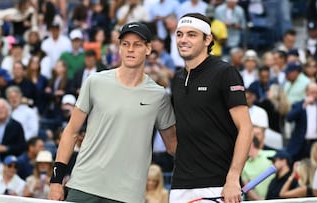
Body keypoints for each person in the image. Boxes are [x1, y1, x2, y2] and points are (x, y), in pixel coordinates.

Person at [48, 22, 176, 203]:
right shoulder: (95, 81)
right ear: (119, 48)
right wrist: (56, 180)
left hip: (127, 194)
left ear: (148, 48)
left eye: (137, 44)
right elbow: (71, 131)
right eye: (125, 44)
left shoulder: (159, 95)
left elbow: (173, 146)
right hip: (84, 185)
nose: (130, 49)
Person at [170, 13, 253, 203]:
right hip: (180, 185)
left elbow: (246, 128)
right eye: (180, 34)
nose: (183, 40)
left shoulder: (225, 73)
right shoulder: (177, 79)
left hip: (217, 185)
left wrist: (232, 179)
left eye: (192, 35)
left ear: (208, 39)